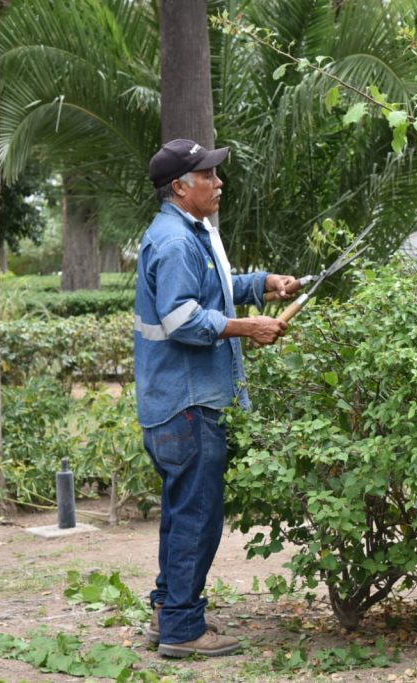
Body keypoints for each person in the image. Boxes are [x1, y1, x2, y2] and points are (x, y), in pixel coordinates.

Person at [134, 138, 298, 658]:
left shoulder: (184, 232)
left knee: (184, 511)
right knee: (197, 516)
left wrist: (262, 285)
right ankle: (184, 629)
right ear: (181, 187)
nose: (218, 182)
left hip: (180, 400)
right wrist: (247, 327)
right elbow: (182, 318)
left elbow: (213, 286)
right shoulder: (178, 241)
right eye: (208, 175)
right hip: (188, 404)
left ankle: (168, 612)